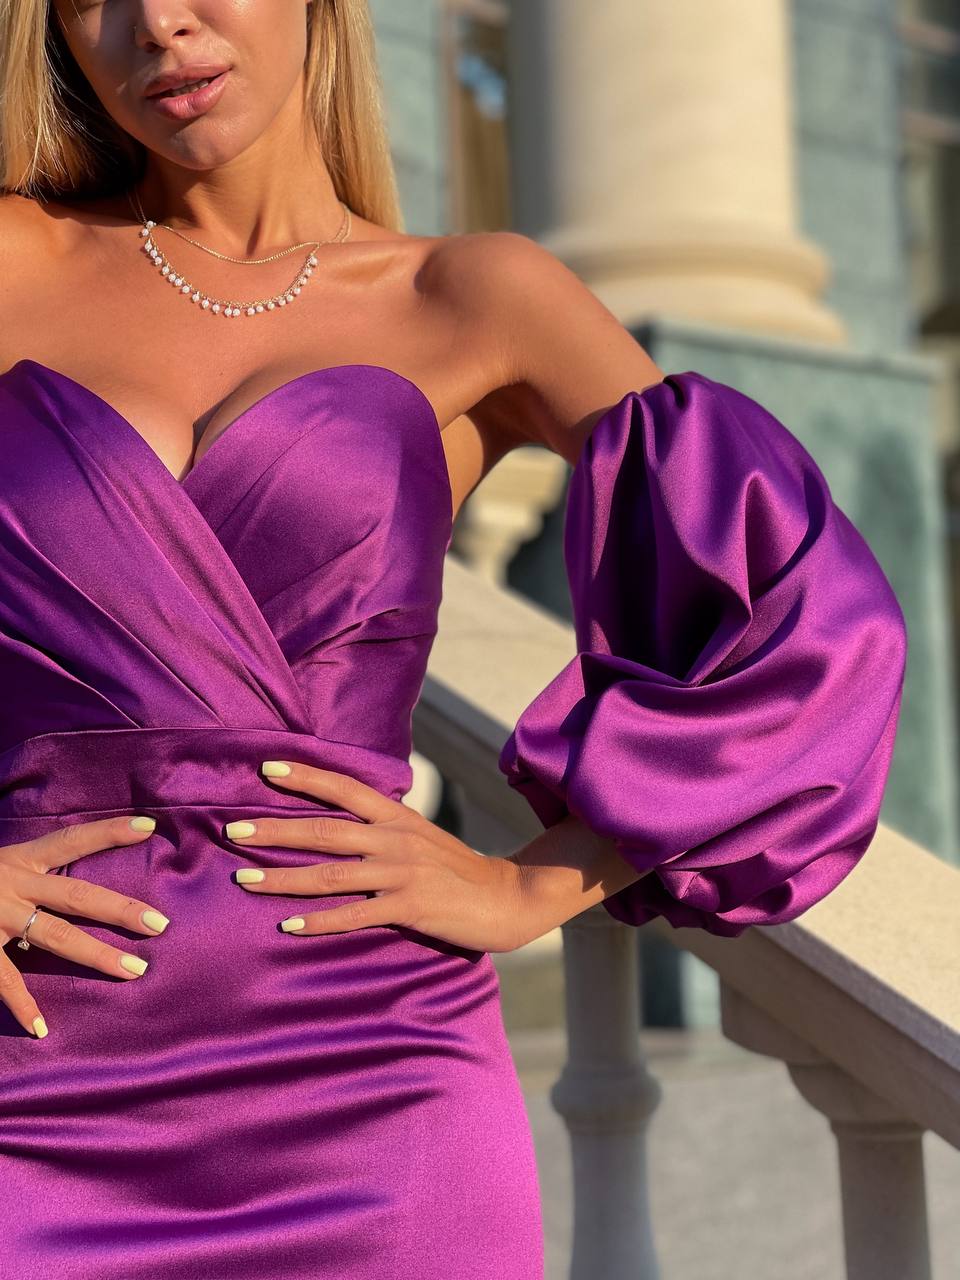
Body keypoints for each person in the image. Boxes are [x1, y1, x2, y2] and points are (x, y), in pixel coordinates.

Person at [0, 1, 908, 1277]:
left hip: (376, 1086)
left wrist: (533, 881)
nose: (158, 22)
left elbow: (805, 610)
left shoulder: (477, 294)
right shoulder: (12, 260)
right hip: (41, 1059)